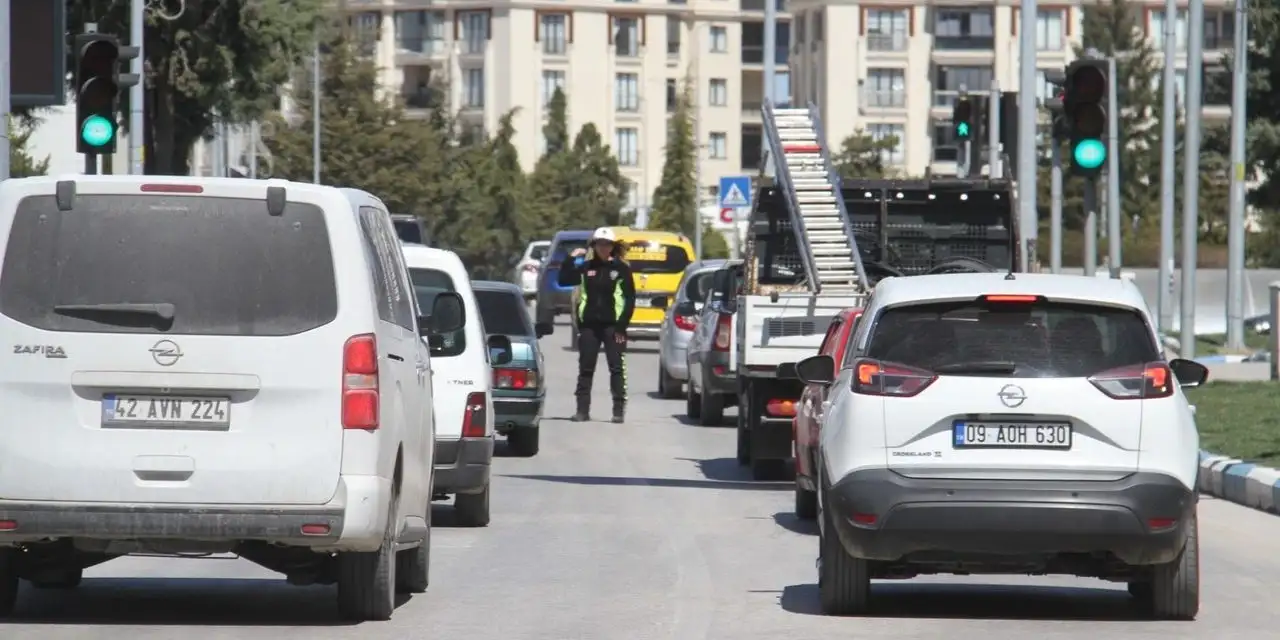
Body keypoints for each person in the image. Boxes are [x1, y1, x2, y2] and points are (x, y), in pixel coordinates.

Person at [557, 227, 636, 423]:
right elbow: (563, 279)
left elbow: (629, 299)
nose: (603, 248)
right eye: (599, 244)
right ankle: (582, 410)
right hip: (589, 326)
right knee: (586, 368)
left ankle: (618, 410)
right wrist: (571, 258)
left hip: (613, 327)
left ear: (612, 247)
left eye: (607, 244)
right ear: (594, 246)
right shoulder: (586, 268)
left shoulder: (621, 269)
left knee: (616, 367)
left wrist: (622, 326)